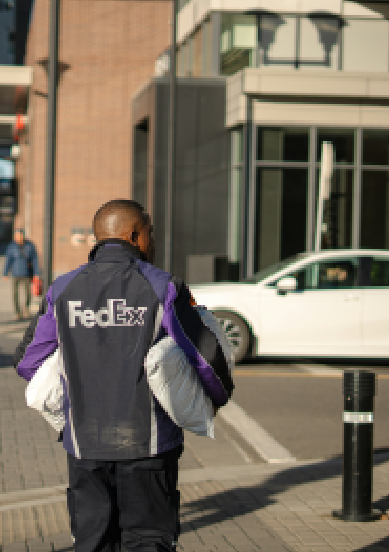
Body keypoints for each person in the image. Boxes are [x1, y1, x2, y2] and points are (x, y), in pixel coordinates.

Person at [14, 199, 234, 552]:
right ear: (134, 235)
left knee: (93, 542)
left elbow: (27, 361)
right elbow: (207, 359)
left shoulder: (63, 289)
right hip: (149, 446)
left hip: (84, 445)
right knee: (148, 541)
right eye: (150, 232)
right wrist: (213, 402)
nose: (152, 240)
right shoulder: (164, 287)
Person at [3, 228, 41, 319]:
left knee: (28, 293)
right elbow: (8, 260)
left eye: (20, 236)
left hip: (27, 273)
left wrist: (36, 273)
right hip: (15, 273)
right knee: (15, 293)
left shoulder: (29, 245)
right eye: (16, 236)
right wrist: (5, 273)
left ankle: (26, 309)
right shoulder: (12, 246)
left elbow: (35, 260)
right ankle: (17, 312)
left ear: (23, 236)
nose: (18, 238)